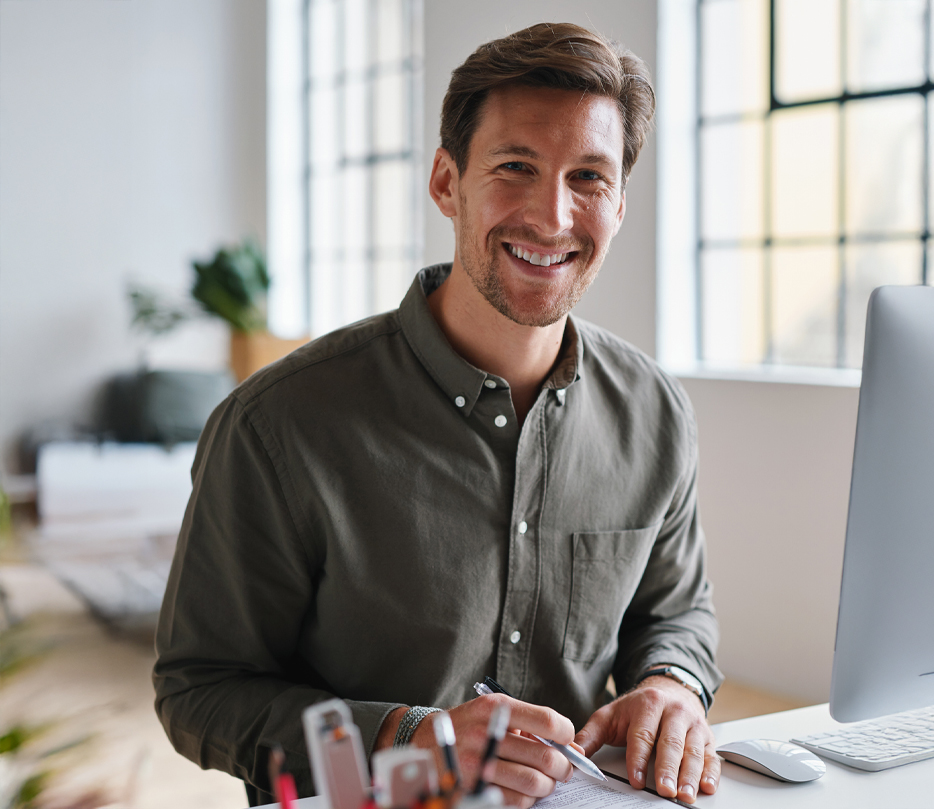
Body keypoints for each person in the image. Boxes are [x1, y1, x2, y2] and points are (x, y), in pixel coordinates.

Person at [154, 22, 723, 808]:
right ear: (447, 182)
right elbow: (200, 692)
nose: (552, 216)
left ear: (620, 202)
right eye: (515, 166)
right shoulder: (276, 425)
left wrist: (672, 683)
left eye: (587, 178)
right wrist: (402, 741)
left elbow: (676, 611)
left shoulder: (656, 413)